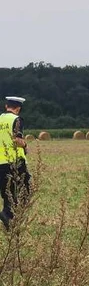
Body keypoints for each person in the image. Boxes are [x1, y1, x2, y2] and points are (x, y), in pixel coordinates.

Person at [0, 96, 31, 228]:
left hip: (0, 161)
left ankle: (8, 218)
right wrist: (25, 146)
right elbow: (17, 140)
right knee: (26, 188)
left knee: (7, 191)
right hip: (15, 161)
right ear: (18, 108)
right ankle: (11, 215)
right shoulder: (16, 119)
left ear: (6, 107)